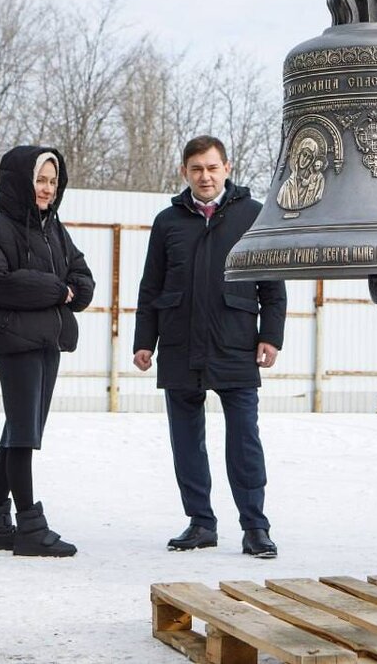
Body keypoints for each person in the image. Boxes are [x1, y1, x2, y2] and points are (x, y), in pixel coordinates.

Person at [133, 136, 287, 558]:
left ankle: (255, 527)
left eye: (212, 168)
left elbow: (272, 286)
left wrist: (270, 336)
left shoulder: (254, 216)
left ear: (227, 168)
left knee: (244, 442)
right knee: (186, 441)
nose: (205, 176)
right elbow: (151, 286)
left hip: (235, 344)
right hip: (180, 344)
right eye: (197, 168)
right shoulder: (168, 222)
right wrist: (144, 341)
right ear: (185, 171)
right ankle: (200, 522)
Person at [0, 146, 95, 557]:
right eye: (40, 180)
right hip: (15, 344)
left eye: (52, 182)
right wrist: (57, 289)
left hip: (48, 343)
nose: (46, 189)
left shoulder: (55, 230)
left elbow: (83, 278)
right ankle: (29, 527)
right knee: (23, 436)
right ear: (22, 182)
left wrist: (70, 289)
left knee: (15, 433)